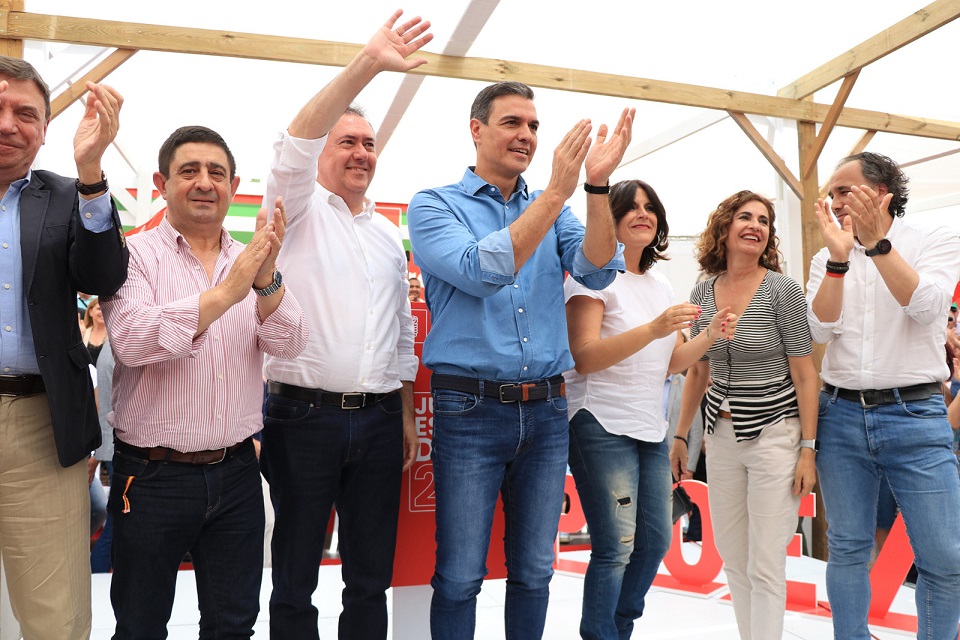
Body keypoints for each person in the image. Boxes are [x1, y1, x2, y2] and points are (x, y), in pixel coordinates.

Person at [408, 78, 634, 639]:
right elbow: (482, 270)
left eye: (534, 125)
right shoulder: (434, 204)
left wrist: (597, 187)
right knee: (460, 575)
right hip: (469, 409)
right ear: (476, 129)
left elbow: (597, 270)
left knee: (535, 571)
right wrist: (556, 193)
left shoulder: (553, 206)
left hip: (547, 410)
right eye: (512, 122)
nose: (526, 135)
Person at [258, 12, 430, 639]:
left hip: (381, 420)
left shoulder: (387, 233)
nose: (361, 153)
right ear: (323, 153)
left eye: (369, 144)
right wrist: (368, 65)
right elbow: (295, 142)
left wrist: (405, 414)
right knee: (295, 574)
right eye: (347, 142)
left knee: (370, 576)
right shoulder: (297, 208)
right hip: (303, 419)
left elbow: (400, 333)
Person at [100, 126, 308, 638]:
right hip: (151, 477)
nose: (204, 182)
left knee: (233, 624)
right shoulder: (132, 255)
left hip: (236, 473)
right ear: (162, 183)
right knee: (140, 626)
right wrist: (226, 293)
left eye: (217, 173)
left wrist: (266, 281)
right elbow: (131, 341)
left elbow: (290, 343)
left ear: (233, 187)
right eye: (188, 171)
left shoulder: (252, 260)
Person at [564, 179, 737, 640]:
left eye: (650, 207)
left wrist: (710, 335)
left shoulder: (659, 283)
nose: (643, 214)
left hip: (648, 426)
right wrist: (655, 328)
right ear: (610, 219)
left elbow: (672, 363)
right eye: (631, 207)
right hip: (599, 422)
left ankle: (617, 630)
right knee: (616, 547)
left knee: (655, 541)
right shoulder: (589, 276)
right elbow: (584, 357)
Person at [807, 152, 960, 640]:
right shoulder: (825, 256)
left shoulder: (935, 238)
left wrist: (876, 246)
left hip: (915, 414)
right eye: (831, 193)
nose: (835, 201)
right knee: (848, 548)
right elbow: (818, 329)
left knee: (945, 557)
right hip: (839, 414)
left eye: (844, 190)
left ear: (881, 192)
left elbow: (927, 307)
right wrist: (838, 262)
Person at [0, 55, 127, 637]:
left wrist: (91, 169)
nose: (9, 124)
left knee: (57, 617)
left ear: (45, 129)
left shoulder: (67, 196)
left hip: (43, 427)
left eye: (25, 113)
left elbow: (105, 276)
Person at [669, 190, 819, 640]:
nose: (755, 225)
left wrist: (808, 450)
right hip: (721, 438)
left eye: (764, 220)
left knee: (766, 564)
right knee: (734, 558)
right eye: (745, 217)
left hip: (776, 434)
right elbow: (698, 371)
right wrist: (682, 436)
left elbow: (805, 375)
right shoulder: (702, 290)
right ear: (725, 227)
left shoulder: (782, 290)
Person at [90, 335, 116, 573]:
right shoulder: (115, 348)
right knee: (116, 525)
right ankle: (96, 574)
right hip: (118, 449)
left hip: (113, 447)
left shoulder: (110, 348)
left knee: (118, 524)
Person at [82, 296, 108, 364]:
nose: (103, 312)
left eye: (106, 309)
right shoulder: (82, 333)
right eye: (99, 309)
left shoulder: (114, 335)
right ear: (90, 312)